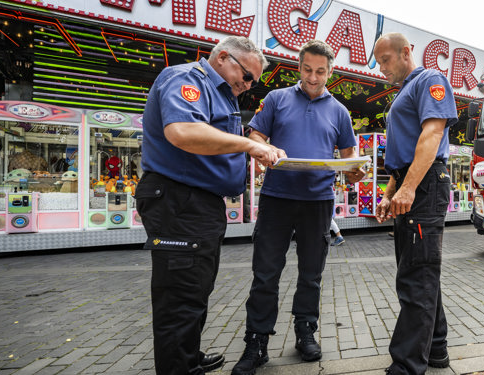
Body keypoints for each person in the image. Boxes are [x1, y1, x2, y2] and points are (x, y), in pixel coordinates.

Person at [135, 36, 278, 375]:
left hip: (198, 204)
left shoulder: (220, 94)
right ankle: (178, 367)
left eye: (252, 82)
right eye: (246, 76)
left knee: (196, 288)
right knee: (181, 296)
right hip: (180, 200)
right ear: (224, 57)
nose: (246, 86)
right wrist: (249, 145)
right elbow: (183, 131)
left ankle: (187, 355)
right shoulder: (187, 79)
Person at [232, 40, 365, 375]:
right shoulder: (277, 99)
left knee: (312, 275)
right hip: (277, 199)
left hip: (318, 203)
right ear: (299, 67)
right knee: (265, 274)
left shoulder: (340, 112)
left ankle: (306, 331)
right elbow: (256, 137)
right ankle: (257, 341)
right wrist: (266, 148)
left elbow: (349, 160)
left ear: (330, 72)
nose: (313, 76)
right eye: (307, 69)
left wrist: (354, 172)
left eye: (320, 71)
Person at [373, 32, 458, 374]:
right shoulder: (405, 92)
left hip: (423, 186)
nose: (381, 69)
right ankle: (436, 350)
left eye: (386, 60)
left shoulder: (430, 80)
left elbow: (432, 134)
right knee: (419, 273)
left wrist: (408, 189)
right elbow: (403, 155)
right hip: (412, 182)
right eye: (378, 63)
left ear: (406, 52)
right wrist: (390, 192)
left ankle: (407, 366)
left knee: (416, 277)